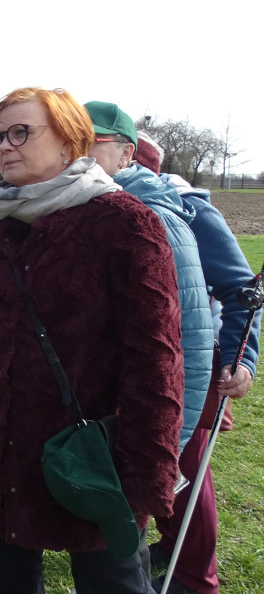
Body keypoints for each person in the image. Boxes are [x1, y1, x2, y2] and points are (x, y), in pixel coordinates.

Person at [0, 86, 184, 594]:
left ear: (70, 138)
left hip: (89, 452)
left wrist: (146, 471)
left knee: (109, 578)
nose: (4, 145)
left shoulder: (124, 223)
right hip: (2, 439)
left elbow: (155, 358)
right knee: (11, 567)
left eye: (21, 132)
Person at [134, 131, 262, 594]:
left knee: (184, 466)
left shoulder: (189, 209)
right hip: (137, 363)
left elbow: (242, 290)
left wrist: (242, 358)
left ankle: (195, 579)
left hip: (191, 361)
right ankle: (167, 546)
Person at [85, 101, 214, 456]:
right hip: (76, 425)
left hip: (123, 428)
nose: (75, 152)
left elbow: (190, 342)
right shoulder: (74, 212)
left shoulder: (155, 221)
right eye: (67, 138)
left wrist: (166, 445)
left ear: (126, 154)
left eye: (90, 141)